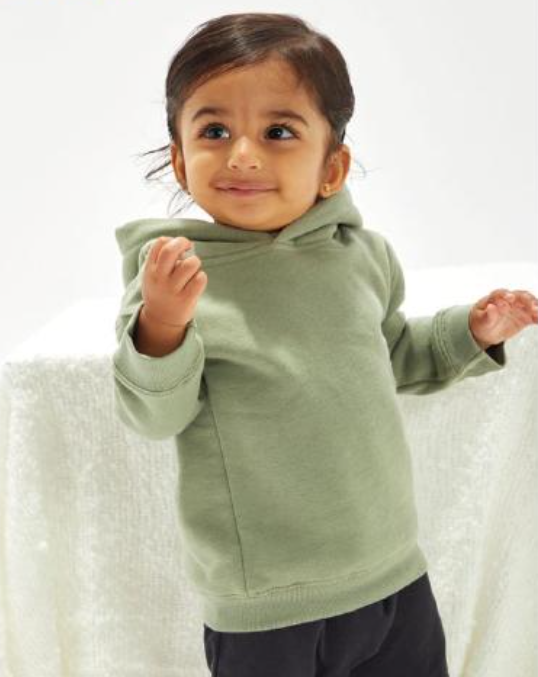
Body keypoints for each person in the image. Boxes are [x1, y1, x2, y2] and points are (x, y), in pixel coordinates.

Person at [112, 12, 538, 677]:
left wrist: (472, 332)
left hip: (393, 572)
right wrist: (163, 323)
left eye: (278, 131)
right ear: (179, 157)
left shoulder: (359, 257)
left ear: (332, 166)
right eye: (214, 131)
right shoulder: (175, 272)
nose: (242, 154)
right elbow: (153, 413)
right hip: (268, 603)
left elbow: (392, 354)